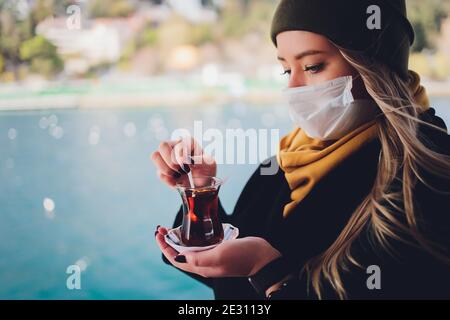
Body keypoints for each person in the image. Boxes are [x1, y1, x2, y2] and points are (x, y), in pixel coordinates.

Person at [151, 0, 450, 299]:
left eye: (312, 66)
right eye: (285, 70)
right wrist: (200, 196)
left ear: (375, 63)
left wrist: (268, 270)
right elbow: (231, 280)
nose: (293, 88)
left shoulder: (428, 177)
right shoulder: (287, 159)